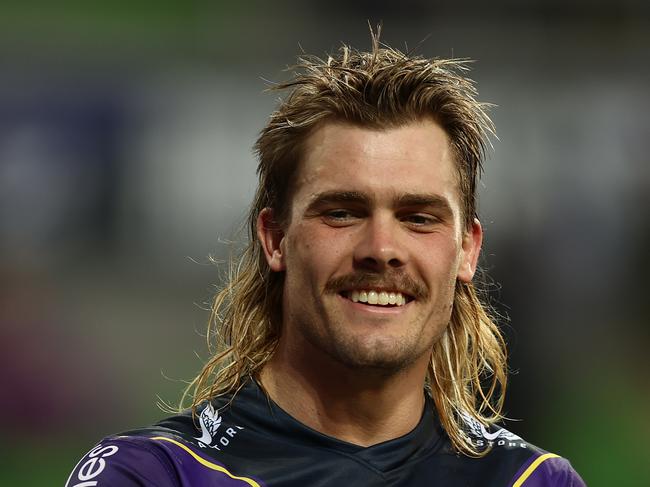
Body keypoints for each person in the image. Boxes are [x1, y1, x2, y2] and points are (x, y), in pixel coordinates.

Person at [66, 32, 586, 486]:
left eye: (418, 217)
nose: (381, 249)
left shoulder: (532, 481)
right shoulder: (156, 474)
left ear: (467, 250)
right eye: (342, 212)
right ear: (274, 238)